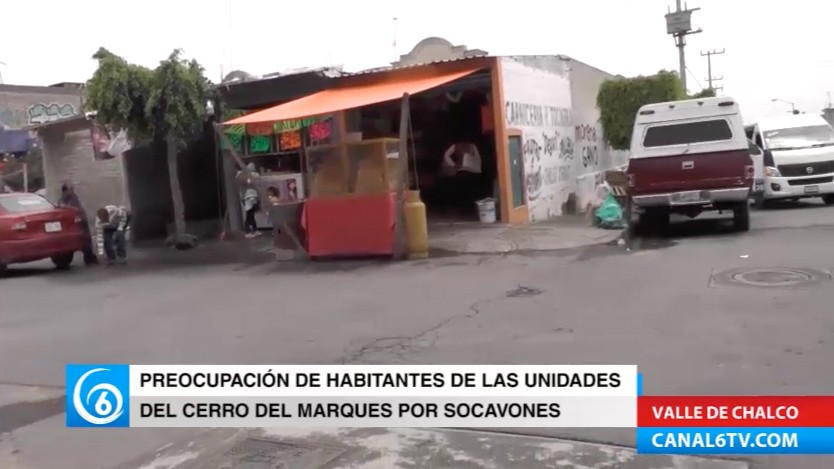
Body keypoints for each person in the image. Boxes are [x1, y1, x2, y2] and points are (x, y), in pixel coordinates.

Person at [59, 183, 98, 265]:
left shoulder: (73, 196)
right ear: (65, 190)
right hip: (77, 220)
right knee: (84, 238)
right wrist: (73, 208)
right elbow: (61, 205)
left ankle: (90, 256)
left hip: (82, 218)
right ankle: (89, 257)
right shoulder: (64, 197)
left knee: (87, 238)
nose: (73, 190)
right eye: (71, 188)